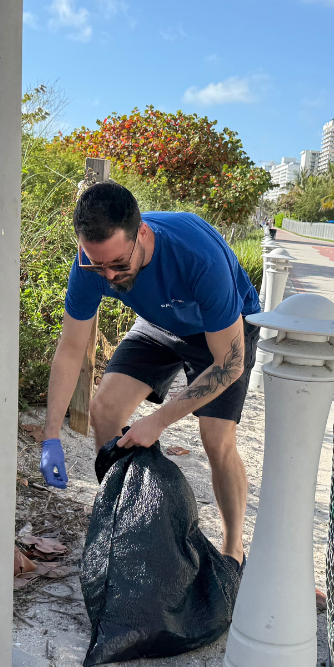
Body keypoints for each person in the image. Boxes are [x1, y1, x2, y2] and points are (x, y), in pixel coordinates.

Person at [39, 182, 262, 563]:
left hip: (223, 332)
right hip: (160, 323)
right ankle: (120, 524)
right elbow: (71, 348)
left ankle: (232, 548)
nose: (108, 277)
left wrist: (157, 421)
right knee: (104, 410)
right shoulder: (89, 264)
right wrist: (51, 435)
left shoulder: (197, 258)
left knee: (216, 439)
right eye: (98, 264)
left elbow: (230, 363)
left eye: (119, 265)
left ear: (142, 233)